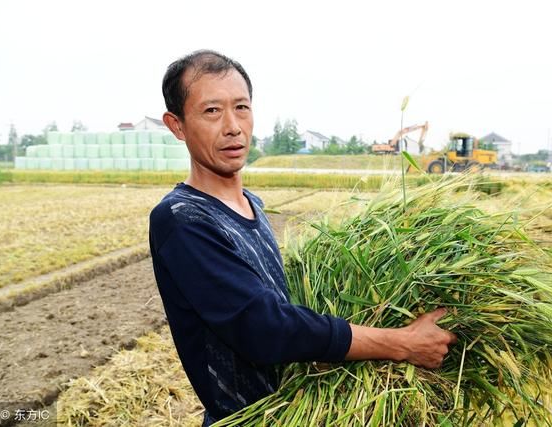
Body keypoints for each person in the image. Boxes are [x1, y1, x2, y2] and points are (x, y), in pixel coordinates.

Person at [149, 49, 457, 426]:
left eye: (241, 108)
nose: (233, 126)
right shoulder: (183, 220)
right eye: (212, 111)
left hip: (293, 413)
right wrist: (402, 343)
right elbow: (266, 328)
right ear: (176, 125)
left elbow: (283, 309)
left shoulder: (251, 205)